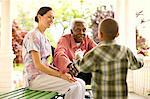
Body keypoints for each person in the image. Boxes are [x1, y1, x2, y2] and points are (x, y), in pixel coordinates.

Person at [22, 7, 85, 99]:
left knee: (81, 83)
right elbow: (38, 65)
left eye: (53, 18)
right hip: (34, 79)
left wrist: (63, 73)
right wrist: (60, 75)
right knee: (74, 86)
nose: (52, 20)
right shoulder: (33, 36)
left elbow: (46, 64)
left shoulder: (44, 38)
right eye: (49, 17)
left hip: (44, 76)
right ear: (39, 17)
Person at [78, 18, 144, 99]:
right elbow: (136, 65)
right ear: (117, 34)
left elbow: (82, 67)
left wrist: (78, 56)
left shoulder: (94, 53)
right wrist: (141, 57)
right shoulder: (125, 50)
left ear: (100, 34)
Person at [53, 18, 97, 84]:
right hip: (68, 72)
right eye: (78, 30)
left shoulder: (87, 39)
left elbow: (98, 50)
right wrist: (69, 65)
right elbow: (59, 53)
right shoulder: (64, 39)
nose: (81, 33)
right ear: (71, 31)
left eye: (84, 30)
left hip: (82, 73)